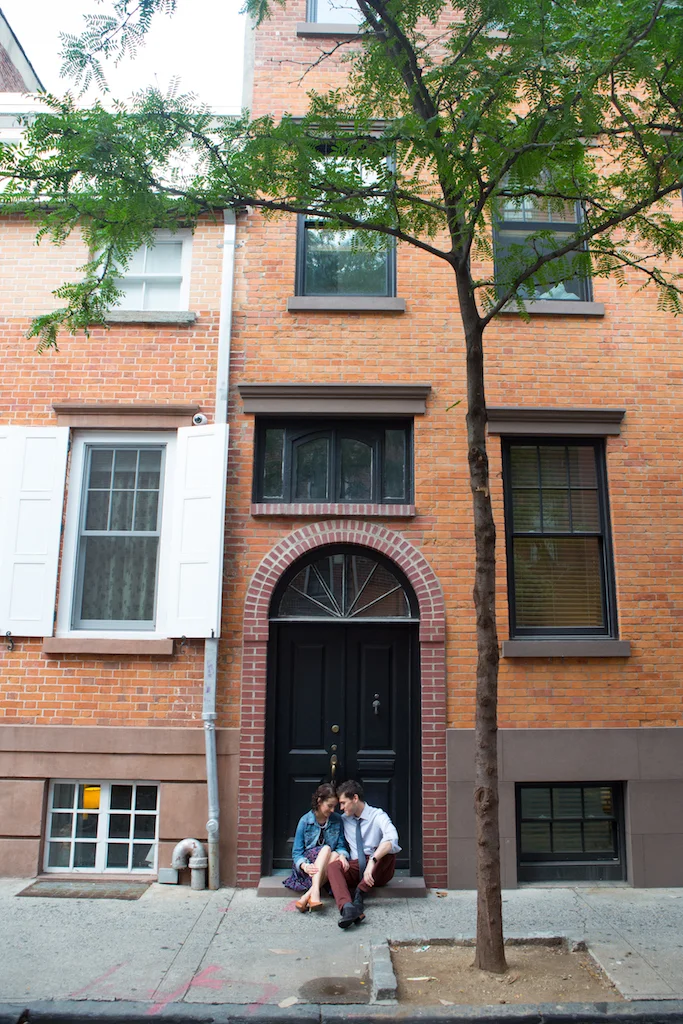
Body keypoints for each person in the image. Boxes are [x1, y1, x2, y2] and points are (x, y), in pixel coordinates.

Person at [326, 779, 400, 929]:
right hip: (356, 867)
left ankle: (359, 894)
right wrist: (341, 855)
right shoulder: (344, 820)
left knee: (388, 851)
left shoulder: (377, 815)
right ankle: (348, 908)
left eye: (343, 803)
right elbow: (337, 843)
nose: (341, 808)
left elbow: (392, 839)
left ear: (355, 798)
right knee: (333, 867)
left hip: (377, 870)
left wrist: (372, 861)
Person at [283, 783, 349, 912]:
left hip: (326, 867)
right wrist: (305, 866)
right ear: (319, 801)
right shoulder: (305, 821)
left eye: (334, 806)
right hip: (309, 868)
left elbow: (341, 847)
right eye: (329, 806)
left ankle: (308, 896)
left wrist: (342, 855)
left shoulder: (337, 820)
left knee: (335, 854)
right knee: (327, 849)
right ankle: (314, 894)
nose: (332, 810)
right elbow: (297, 853)